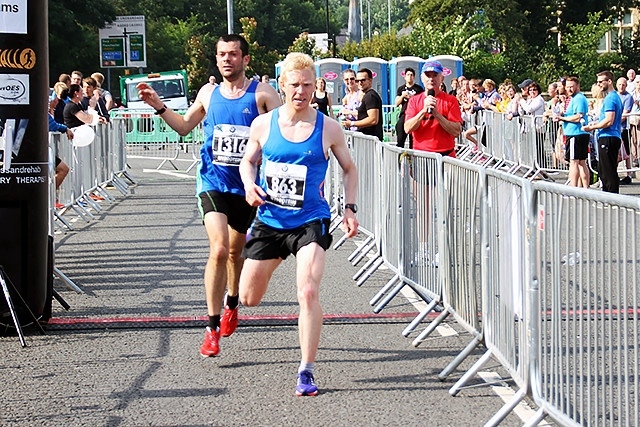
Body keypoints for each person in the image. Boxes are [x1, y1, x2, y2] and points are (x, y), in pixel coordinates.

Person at [136, 34, 281, 357]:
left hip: (246, 187)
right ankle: (212, 326)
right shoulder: (208, 92)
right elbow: (185, 126)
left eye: (233, 54)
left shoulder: (263, 95)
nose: (227, 59)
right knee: (218, 249)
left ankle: (232, 302)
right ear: (216, 60)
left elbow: (283, 132)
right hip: (212, 181)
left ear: (245, 59)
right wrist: (159, 106)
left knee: (235, 252)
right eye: (221, 55)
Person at [238, 52, 359, 396]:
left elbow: (350, 168)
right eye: (295, 85)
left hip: (311, 220)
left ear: (314, 85)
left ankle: (306, 370)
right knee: (249, 298)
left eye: (308, 85)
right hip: (271, 220)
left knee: (307, 291)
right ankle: (261, 263)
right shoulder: (263, 124)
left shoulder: (328, 127)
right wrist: (249, 185)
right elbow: (248, 162)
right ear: (283, 85)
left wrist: (350, 208)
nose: (302, 91)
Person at [404, 60, 463, 156]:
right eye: (428, 75)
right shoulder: (414, 101)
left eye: (435, 75)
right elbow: (407, 129)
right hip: (421, 155)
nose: (431, 79)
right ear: (422, 79)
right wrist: (423, 111)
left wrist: (437, 115)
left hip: (445, 155)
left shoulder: (451, 101)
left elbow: (456, 131)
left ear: (442, 78)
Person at [582, 70, 623, 193]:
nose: (598, 84)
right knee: (605, 169)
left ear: (609, 81)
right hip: (610, 135)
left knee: (607, 171)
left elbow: (609, 121)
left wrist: (592, 128)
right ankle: (610, 197)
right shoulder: (613, 97)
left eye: (601, 82)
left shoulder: (610, 98)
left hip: (608, 136)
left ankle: (613, 198)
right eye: (598, 82)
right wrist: (597, 124)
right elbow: (607, 119)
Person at [554, 76, 590, 187]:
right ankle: (583, 188)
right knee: (581, 162)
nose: (569, 89)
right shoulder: (573, 98)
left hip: (576, 133)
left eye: (572, 87)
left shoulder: (579, 98)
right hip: (576, 133)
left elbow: (578, 117)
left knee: (574, 162)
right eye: (568, 87)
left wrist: (562, 118)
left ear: (578, 86)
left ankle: (573, 189)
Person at [342, 68, 383, 141]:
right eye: (357, 81)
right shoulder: (365, 95)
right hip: (363, 138)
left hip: (371, 140)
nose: (360, 83)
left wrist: (352, 123)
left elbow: (373, 120)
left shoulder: (371, 96)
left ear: (370, 80)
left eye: (363, 80)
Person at [394, 67, 424, 148]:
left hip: (415, 115)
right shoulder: (401, 89)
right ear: (405, 77)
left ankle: (412, 159)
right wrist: (403, 96)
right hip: (404, 114)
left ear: (414, 77)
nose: (410, 77)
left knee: (413, 141)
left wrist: (412, 98)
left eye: (411, 75)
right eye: (408, 75)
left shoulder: (419, 89)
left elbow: (422, 101)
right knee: (400, 139)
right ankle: (399, 158)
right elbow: (396, 103)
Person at [48, 113, 73, 208]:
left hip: (39, 148)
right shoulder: (39, 107)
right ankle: (48, 196)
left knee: (63, 169)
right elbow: (52, 125)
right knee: (63, 169)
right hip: (37, 149)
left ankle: (49, 196)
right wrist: (64, 128)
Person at [616, 77, 634, 184]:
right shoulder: (614, 95)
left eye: (623, 85)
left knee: (626, 152)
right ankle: (615, 173)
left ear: (626, 86)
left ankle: (629, 175)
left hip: (623, 128)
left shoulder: (628, 97)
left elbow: (625, 114)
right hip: (615, 129)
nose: (621, 87)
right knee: (616, 152)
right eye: (619, 84)